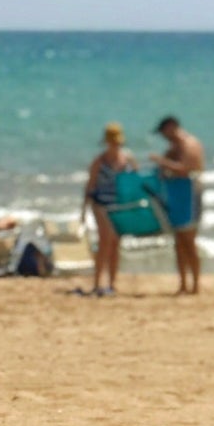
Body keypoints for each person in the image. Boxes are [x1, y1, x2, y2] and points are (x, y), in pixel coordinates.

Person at [151, 115, 205, 294]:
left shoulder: (189, 144)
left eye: (164, 132)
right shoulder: (173, 147)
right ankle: (183, 284)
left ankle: (195, 284)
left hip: (189, 194)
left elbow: (187, 168)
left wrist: (162, 162)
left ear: (172, 126)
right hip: (175, 195)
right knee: (178, 241)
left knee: (189, 240)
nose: (164, 136)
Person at [82, 122, 136, 296]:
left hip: (120, 206)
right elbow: (90, 186)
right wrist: (83, 210)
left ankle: (112, 283)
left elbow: (136, 182)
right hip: (101, 205)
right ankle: (98, 283)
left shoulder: (128, 159)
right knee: (105, 240)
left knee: (115, 243)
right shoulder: (99, 161)